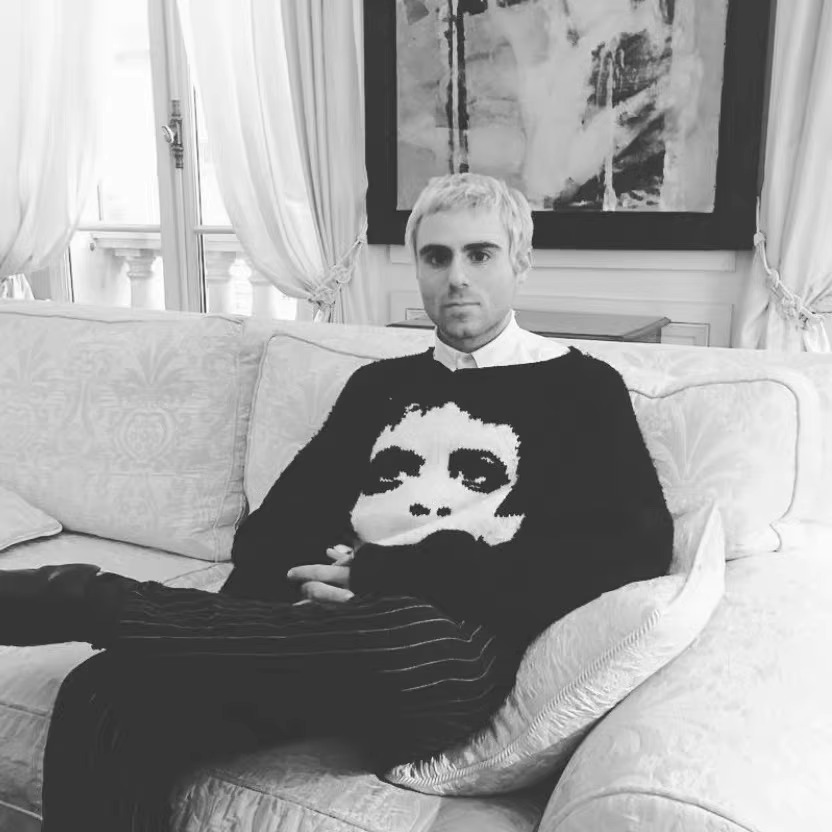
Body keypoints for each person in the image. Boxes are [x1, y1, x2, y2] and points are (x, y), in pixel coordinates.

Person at [0, 173, 673, 831]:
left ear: (520, 261)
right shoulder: (378, 386)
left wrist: (390, 573)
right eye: (436, 257)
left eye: (480, 254)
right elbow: (271, 532)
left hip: (444, 650)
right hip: (311, 645)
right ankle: (133, 617)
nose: (456, 278)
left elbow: (630, 548)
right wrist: (283, 604)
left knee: (407, 638)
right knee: (105, 691)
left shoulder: (581, 388)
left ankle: (88, 599)